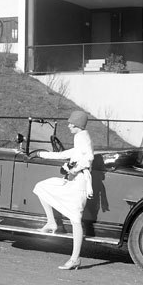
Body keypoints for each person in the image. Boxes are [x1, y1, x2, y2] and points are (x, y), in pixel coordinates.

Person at [33, 110, 94, 270]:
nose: (68, 126)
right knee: (41, 187)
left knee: (75, 220)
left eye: (70, 123)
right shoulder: (80, 137)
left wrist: (74, 169)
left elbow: (88, 158)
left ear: (77, 125)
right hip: (74, 182)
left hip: (79, 184)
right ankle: (51, 221)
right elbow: (69, 154)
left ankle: (75, 259)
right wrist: (43, 154)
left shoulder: (82, 137)